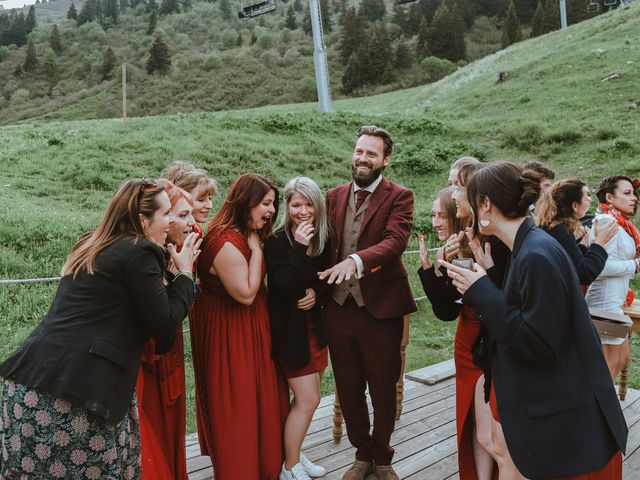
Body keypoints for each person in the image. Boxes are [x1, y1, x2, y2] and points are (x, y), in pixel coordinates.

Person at [0, 179, 200, 479]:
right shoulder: (141, 250)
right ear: (143, 219)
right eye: (166, 213)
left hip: (29, 385)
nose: (171, 220)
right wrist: (185, 276)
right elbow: (163, 331)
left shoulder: (93, 243)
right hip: (76, 398)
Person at [441, 162, 628, 479]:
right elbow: (528, 309)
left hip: (563, 420)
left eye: (470, 200)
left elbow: (540, 343)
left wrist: (482, 290)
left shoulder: (536, 253)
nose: (463, 212)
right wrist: (490, 276)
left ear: (485, 204)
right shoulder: (528, 246)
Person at [318, 126, 417, 480]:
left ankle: (383, 455)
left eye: (371, 154)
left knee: (382, 385)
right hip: (338, 309)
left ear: (385, 160)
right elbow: (320, 245)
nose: (362, 158)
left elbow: (395, 242)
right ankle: (362, 454)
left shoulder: (400, 196)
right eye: (359, 151)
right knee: (347, 385)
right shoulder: (332, 196)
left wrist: (356, 261)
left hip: (381, 308)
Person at [189, 173, 288, 480]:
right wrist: (257, 252)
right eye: (265, 203)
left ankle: (266, 464)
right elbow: (245, 293)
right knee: (239, 400)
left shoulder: (247, 231)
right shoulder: (225, 242)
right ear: (246, 202)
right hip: (232, 330)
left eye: (273, 203)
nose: (271, 210)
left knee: (261, 396)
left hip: (252, 326)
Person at [418, 166, 509, 480]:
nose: (436, 222)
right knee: (472, 423)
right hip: (467, 340)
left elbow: (494, 297)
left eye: (441, 215)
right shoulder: (451, 249)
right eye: (433, 216)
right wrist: (430, 271)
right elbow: (447, 311)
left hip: (490, 343)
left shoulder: (487, 244)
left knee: (490, 432)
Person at [265, 177, 331, 480]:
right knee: (308, 399)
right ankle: (289, 468)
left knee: (308, 398)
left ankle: (294, 452)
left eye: (308, 205)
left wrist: (316, 292)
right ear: (287, 207)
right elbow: (282, 286)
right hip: (290, 331)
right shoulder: (277, 241)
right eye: (296, 205)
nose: (302, 211)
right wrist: (300, 247)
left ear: (317, 207)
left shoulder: (323, 237)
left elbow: (324, 276)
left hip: (315, 328)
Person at [137, 181, 196, 480]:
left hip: (168, 361)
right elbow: (158, 327)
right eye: (180, 214)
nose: (189, 222)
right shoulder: (143, 260)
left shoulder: (165, 256)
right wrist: (183, 277)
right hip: (145, 369)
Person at [586, 175, 640, 380]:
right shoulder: (607, 222)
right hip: (604, 303)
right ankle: (599, 410)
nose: (633, 197)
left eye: (633, 193)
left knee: (623, 358)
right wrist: (634, 265)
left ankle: (603, 406)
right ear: (609, 197)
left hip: (615, 301)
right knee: (608, 365)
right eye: (626, 193)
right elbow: (599, 267)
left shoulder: (621, 223)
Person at [536, 179, 616, 290]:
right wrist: (599, 242)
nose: (590, 200)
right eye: (587, 195)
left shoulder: (551, 227)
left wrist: (583, 245)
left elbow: (569, 261)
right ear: (575, 205)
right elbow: (585, 274)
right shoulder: (560, 231)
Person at [162, 160, 218, 237]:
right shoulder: (167, 236)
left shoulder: (196, 229)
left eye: (210, 198)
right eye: (201, 200)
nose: (210, 206)